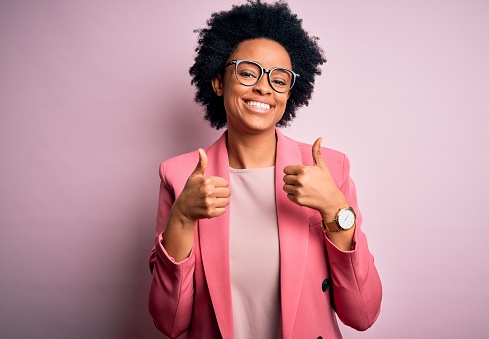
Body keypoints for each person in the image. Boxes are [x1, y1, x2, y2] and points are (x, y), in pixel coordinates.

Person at [148, 1, 382, 338]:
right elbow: (170, 323)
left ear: (291, 91)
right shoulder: (179, 176)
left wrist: (335, 209)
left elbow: (363, 313)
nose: (264, 87)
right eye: (247, 72)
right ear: (218, 81)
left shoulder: (330, 169)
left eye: (279, 78)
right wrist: (182, 219)